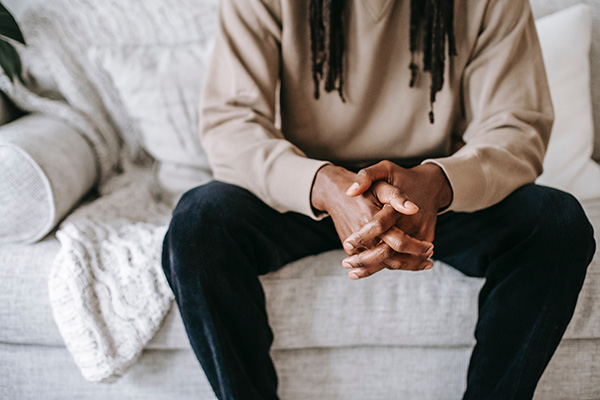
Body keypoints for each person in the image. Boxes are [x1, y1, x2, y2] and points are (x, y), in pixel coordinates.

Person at [161, 0, 596, 398]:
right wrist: (323, 185)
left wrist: (438, 182)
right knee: (199, 220)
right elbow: (231, 124)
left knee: (556, 222)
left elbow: (516, 127)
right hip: (312, 189)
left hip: (430, 192)